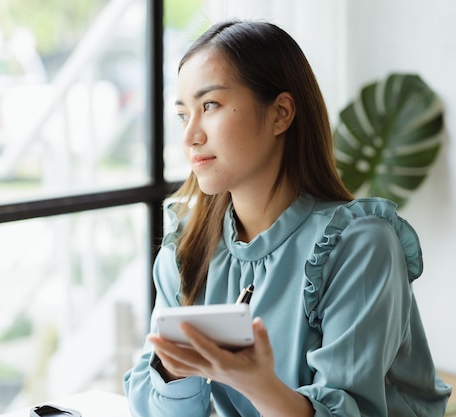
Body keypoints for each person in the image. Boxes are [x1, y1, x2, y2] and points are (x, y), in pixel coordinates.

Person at [123, 19, 452, 417]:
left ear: (281, 113)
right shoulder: (187, 248)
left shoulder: (361, 245)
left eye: (209, 105)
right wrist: (178, 375)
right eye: (182, 114)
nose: (190, 135)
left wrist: (258, 385)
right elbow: (151, 406)